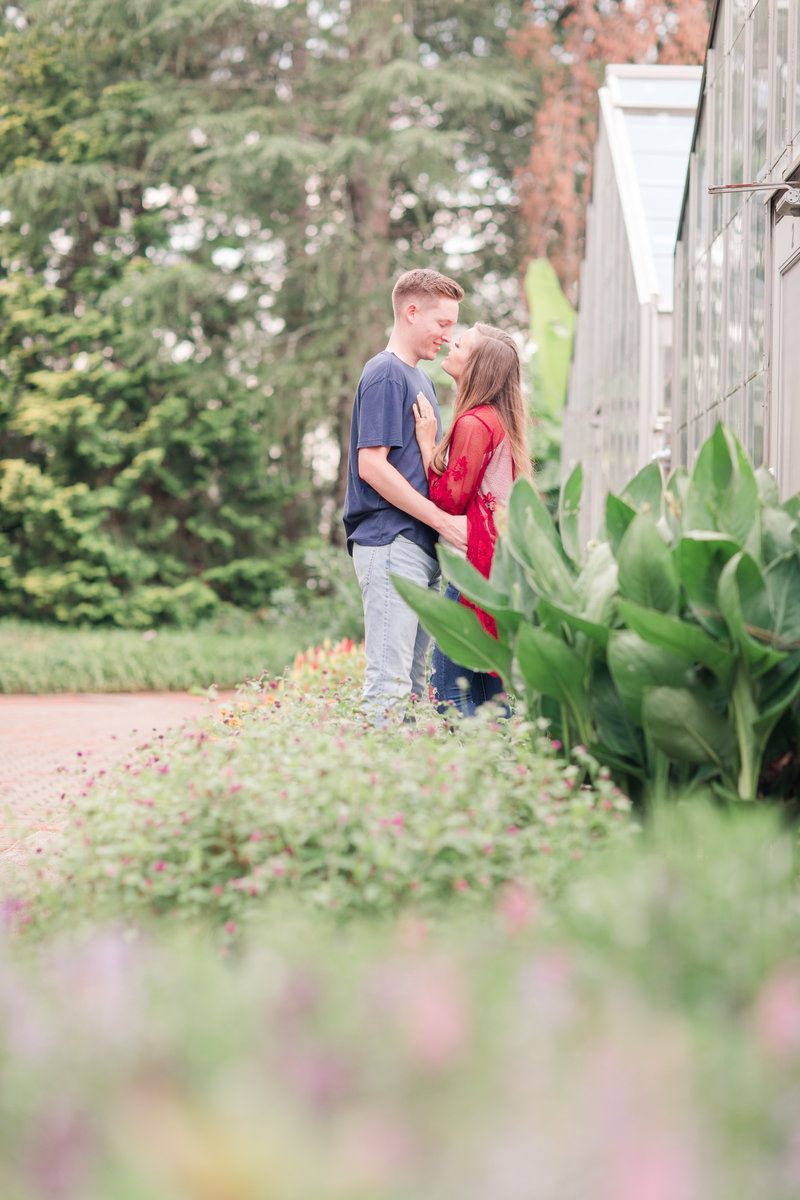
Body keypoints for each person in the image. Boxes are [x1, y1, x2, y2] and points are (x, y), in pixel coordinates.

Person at [342, 268, 468, 725]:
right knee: (389, 688)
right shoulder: (386, 374)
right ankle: (371, 793)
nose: (447, 336)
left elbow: (416, 469)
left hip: (417, 549)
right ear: (411, 312)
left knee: (412, 690)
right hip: (390, 543)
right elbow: (371, 466)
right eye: (442, 323)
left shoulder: (422, 381)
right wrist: (442, 520)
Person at [412, 323, 532, 716]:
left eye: (460, 343)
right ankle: (502, 771)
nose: (450, 341)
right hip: (494, 573)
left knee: (450, 691)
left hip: (471, 575)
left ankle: (477, 773)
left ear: (478, 365)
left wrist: (427, 446)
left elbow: (448, 498)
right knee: (488, 693)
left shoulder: (475, 422)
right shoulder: (500, 419)